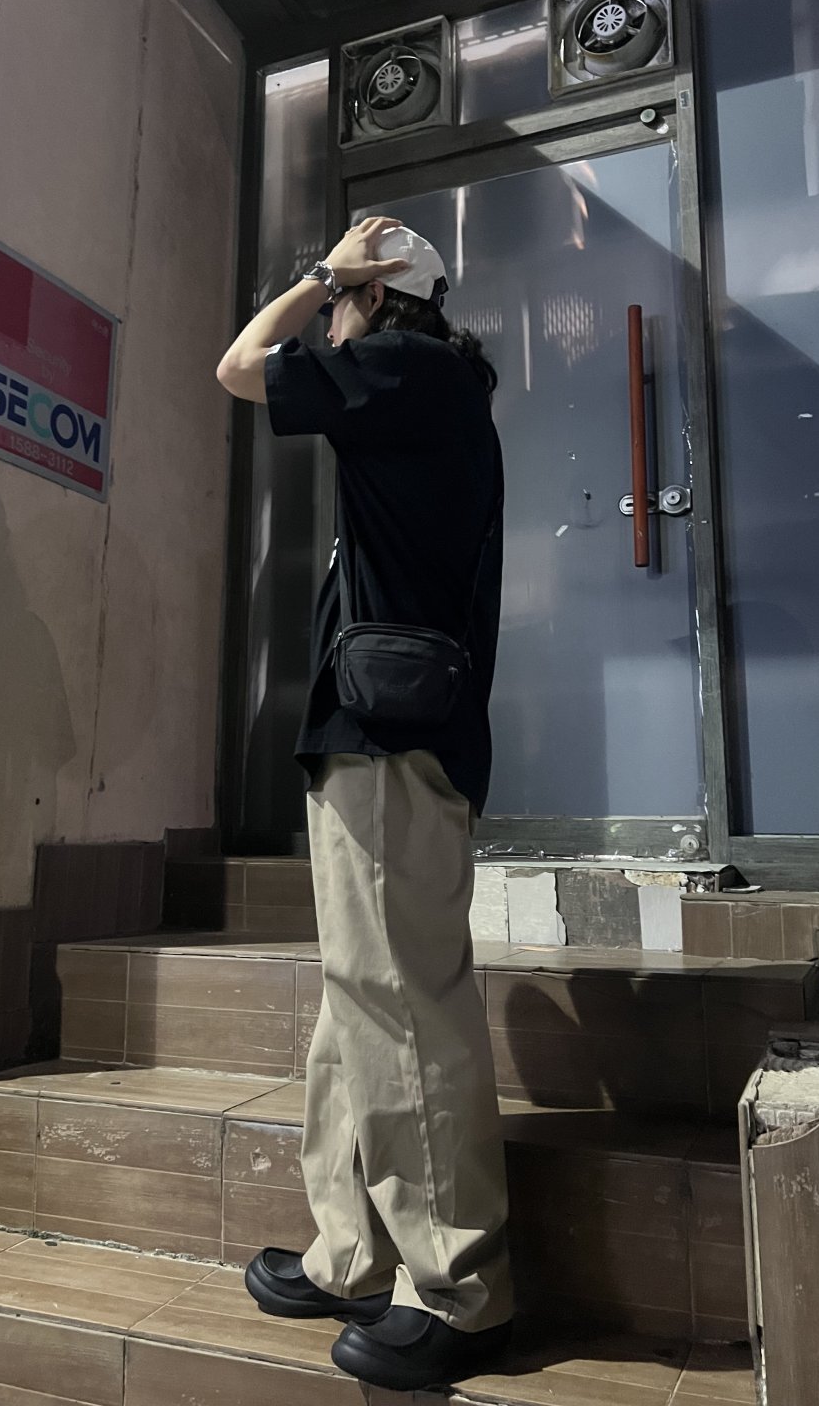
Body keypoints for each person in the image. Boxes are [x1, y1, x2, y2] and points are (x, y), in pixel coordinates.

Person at [215, 216, 512, 1393]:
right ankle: (350, 1253)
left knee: (402, 1005)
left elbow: (241, 366)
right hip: (382, 734)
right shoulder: (425, 388)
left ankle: (460, 1287)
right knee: (363, 998)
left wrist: (317, 275)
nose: (329, 321)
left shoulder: (407, 366)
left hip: (394, 743)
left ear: (379, 299)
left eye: (343, 301)